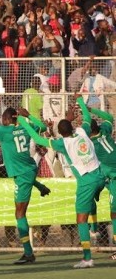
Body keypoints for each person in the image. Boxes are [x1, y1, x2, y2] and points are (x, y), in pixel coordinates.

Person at [18, 110, 105, 268]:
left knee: (80, 219)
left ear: (60, 133)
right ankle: (95, 229)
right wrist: (79, 103)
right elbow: (86, 118)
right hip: (100, 176)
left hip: (86, 182)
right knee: (91, 202)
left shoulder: (63, 144)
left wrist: (23, 120)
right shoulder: (82, 131)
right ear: (72, 127)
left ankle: (87, 258)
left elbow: (37, 138)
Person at [0, 106, 51, 264]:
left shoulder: (2, 131)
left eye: (3, 118)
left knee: (19, 215)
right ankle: (40, 187)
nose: (2, 120)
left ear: (7, 119)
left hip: (23, 175)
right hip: (28, 171)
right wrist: (28, 115)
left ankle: (28, 253)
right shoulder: (25, 127)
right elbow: (43, 127)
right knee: (20, 213)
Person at [77, 95, 116, 259]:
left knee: (114, 214)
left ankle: (94, 229)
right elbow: (109, 117)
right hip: (106, 177)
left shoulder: (89, 144)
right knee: (91, 195)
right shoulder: (105, 130)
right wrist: (90, 109)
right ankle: (94, 229)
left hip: (113, 177)